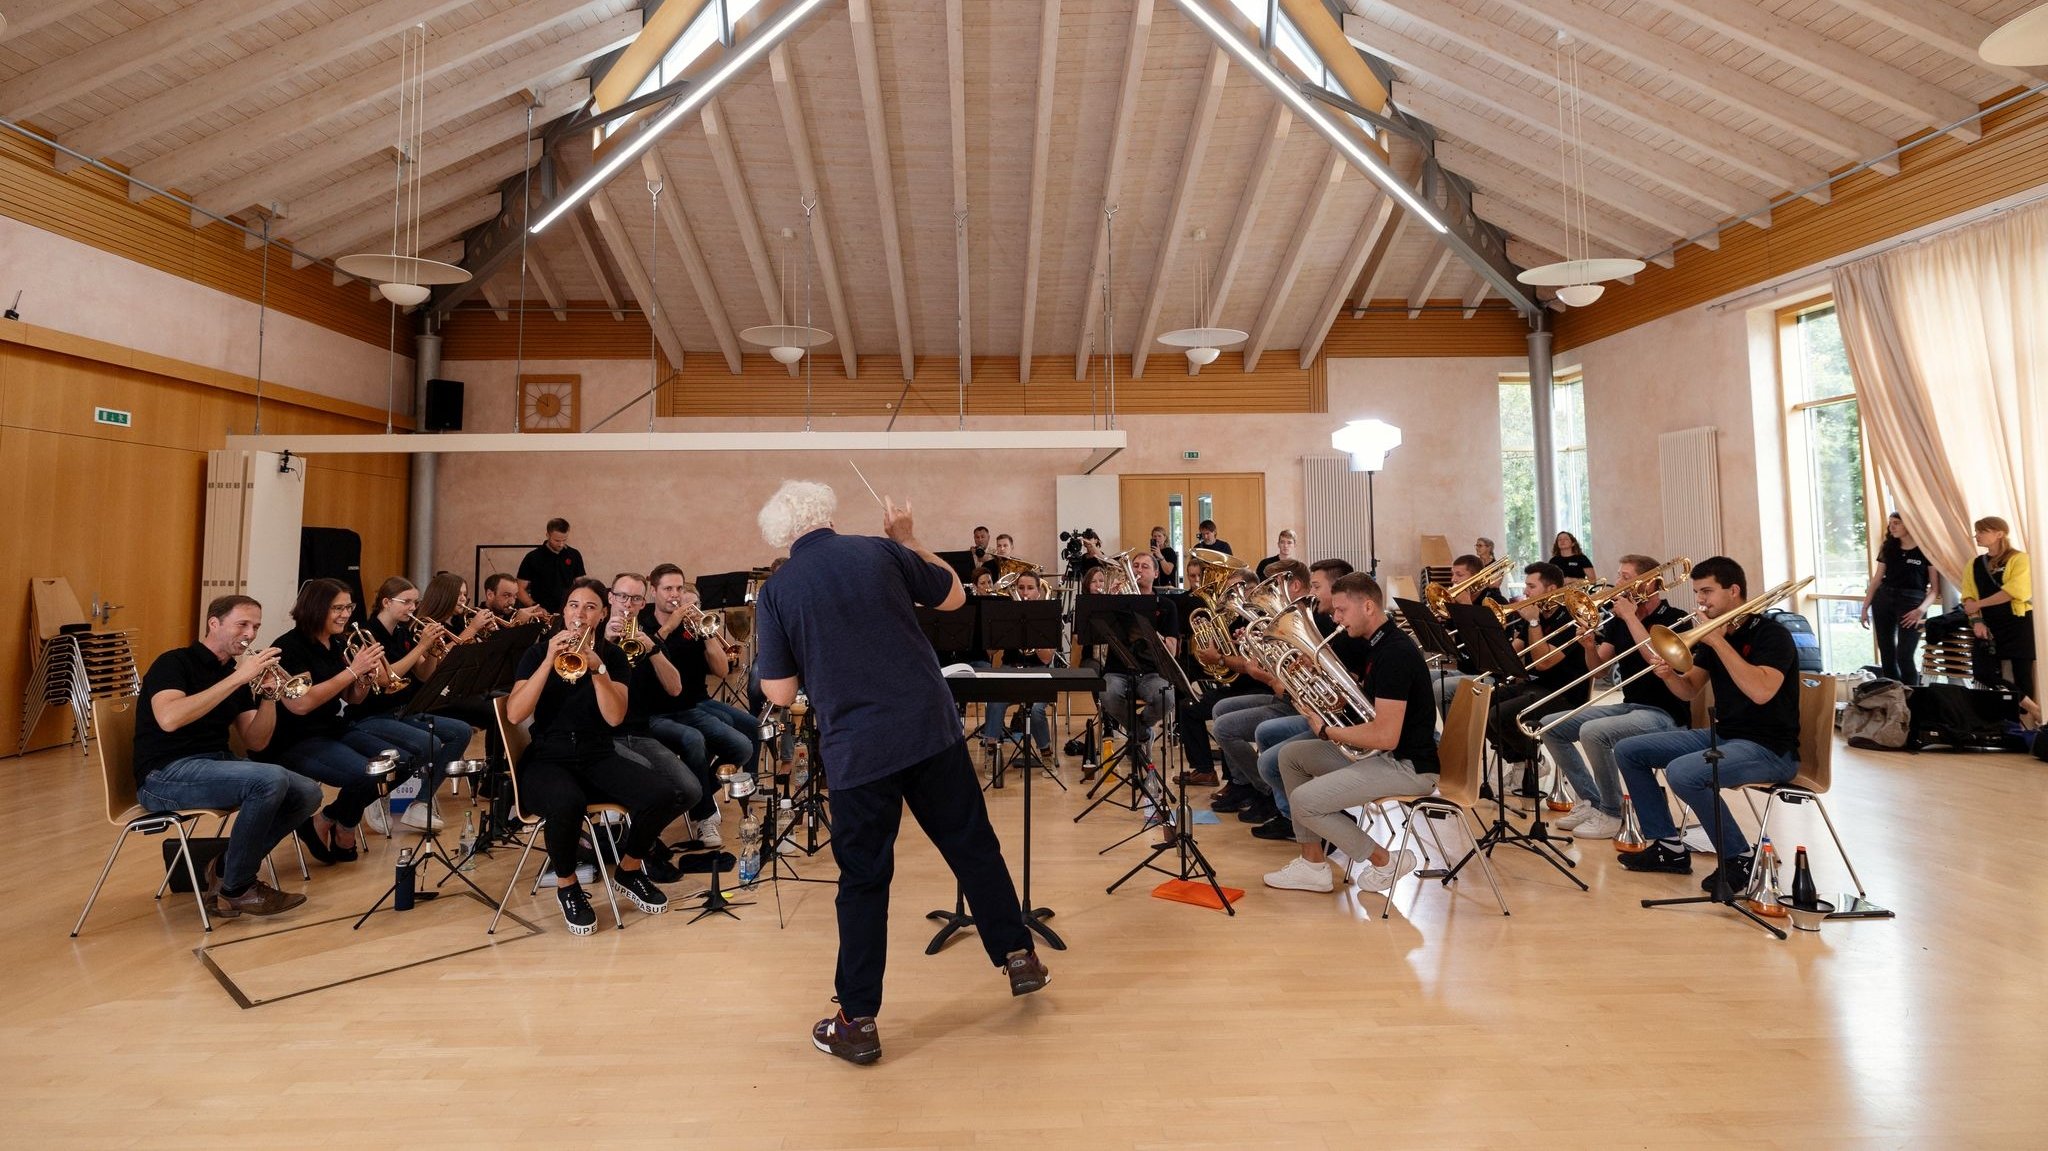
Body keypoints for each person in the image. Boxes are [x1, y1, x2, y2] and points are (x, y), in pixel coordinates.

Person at [754, 481, 1048, 1066]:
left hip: (858, 750)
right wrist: (910, 538)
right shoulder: (880, 550)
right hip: (928, 727)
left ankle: (857, 1022)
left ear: (782, 535)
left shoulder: (777, 590)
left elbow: (782, 693)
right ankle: (1019, 956)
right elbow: (955, 596)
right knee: (971, 845)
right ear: (827, 515)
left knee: (864, 881)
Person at [504, 578, 690, 933]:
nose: (580, 614)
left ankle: (630, 869)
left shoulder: (614, 657)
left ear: (602, 614)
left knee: (665, 794)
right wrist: (547, 662)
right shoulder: (536, 652)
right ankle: (567, 886)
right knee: (566, 802)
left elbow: (615, 716)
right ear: (563, 611)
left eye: (590, 607)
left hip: (596, 753)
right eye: (574, 605)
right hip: (548, 757)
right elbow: (515, 714)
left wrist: (597, 670)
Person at [1611, 556, 1802, 889]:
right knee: (1628, 750)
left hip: (1771, 748)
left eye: (1708, 592)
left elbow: (1760, 692)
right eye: (1698, 592)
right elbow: (1687, 691)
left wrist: (1718, 642)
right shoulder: (1719, 634)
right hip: (1726, 736)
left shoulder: (1773, 635)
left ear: (1734, 590)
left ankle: (1738, 857)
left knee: (1684, 773)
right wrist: (1670, 675)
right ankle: (1668, 846)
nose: (1701, 601)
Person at [132, 595, 320, 917]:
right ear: (214, 624)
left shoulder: (238, 675)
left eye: (256, 627)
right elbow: (170, 718)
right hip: (165, 774)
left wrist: (269, 696)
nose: (250, 634)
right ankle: (238, 887)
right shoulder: (174, 663)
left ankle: (223, 869)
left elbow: (256, 742)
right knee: (269, 779)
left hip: (216, 763)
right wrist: (238, 679)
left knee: (307, 792)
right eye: (242, 624)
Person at [1263, 572, 1438, 894]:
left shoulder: (1395, 653)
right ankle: (1313, 865)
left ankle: (1386, 861)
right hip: (1384, 756)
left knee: (1305, 801)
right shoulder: (1375, 643)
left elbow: (1386, 736)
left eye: (1341, 610)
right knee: (1291, 757)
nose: (1335, 617)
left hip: (1406, 764)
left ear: (1368, 606)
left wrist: (1328, 730)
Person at [1538, 555, 1693, 841]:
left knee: (1593, 732)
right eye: (1619, 576)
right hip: (1630, 706)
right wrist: (1588, 646)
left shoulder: (1675, 618)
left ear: (1648, 583)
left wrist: (1632, 617)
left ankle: (1611, 813)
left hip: (1665, 715)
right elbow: (1599, 671)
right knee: (1550, 725)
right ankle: (1593, 802)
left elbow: (1657, 661)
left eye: (1624, 576)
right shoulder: (1620, 621)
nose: (1618, 583)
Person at [268, 579, 407, 863]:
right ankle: (342, 826)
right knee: (366, 773)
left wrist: (364, 679)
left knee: (401, 761)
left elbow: (353, 698)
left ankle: (335, 819)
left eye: (348, 607)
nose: (346, 614)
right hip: (296, 737)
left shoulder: (338, 642)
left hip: (333, 728)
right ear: (316, 608)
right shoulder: (287, 648)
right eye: (338, 608)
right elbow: (302, 704)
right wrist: (353, 671)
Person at [358, 576, 475, 833]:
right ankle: (374, 794)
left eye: (415, 602)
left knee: (461, 731)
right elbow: (387, 678)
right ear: (387, 603)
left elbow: (423, 675)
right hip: (374, 714)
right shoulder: (368, 634)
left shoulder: (402, 632)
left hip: (405, 710)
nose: (413, 608)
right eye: (407, 602)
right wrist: (422, 645)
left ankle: (420, 804)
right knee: (429, 743)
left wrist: (431, 651)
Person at [1484, 563, 1592, 786]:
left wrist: (1533, 622)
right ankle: (1521, 761)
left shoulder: (1571, 618)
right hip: (1534, 686)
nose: (1525, 592)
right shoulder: (1537, 613)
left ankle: (1535, 758)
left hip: (1563, 693)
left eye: (1531, 586)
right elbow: (1513, 653)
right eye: (1526, 586)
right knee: (1482, 706)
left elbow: (1544, 663)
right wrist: (1492, 634)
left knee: (1500, 715)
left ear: (1551, 588)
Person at [1094, 551, 1180, 766]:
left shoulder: (1167, 605)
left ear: (1156, 573)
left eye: (1145, 566)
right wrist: (1108, 603)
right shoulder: (1118, 602)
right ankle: (1142, 733)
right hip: (1118, 669)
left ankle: (1135, 732)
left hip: (1152, 671)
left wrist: (1152, 634)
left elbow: (1173, 650)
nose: (1139, 570)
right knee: (1108, 694)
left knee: (1167, 697)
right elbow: (1095, 632)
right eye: (1136, 566)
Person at [980, 571, 1057, 764]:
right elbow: (990, 652)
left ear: (1038, 592)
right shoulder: (1006, 614)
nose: (1025, 593)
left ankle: (1046, 753)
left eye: (1030, 588)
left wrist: (1033, 631)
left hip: (1039, 671)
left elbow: (1046, 658)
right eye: (1021, 588)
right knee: (995, 702)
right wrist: (1000, 630)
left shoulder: (1047, 616)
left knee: (1038, 709)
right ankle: (992, 753)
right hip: (1010, 668)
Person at [1962, 515, 2033, 700]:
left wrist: (1979, 604)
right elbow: (1968, 596)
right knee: (1983, 673)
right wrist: (1976, 620)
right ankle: (2032, 710)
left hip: (2018, 622)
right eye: (1976, 531)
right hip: (1988, 624)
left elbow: (2015, 591)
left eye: (1982, 531)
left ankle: (2024, 724)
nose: (1977, 535)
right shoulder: (1974, 563)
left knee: (2022, 675)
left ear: (1999, 533)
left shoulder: (2019, 559)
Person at [1861, 513, 1935, 685]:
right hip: (1884, 599)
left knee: (1904, 655)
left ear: (1909, 525)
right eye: (1890, 524)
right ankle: (1892, 697)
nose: (1891, 527)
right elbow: (1877, 578)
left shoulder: (1925, 550)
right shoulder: (1888, 547)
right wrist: (1865, 607)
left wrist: (1920, 610)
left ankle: (1913, 700)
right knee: (1887, 654)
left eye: (1896, 523)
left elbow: (1934, 590)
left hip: (1912, 603)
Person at [517, 517, 587, 615]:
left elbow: (581, 585)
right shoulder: (533, 557)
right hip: (541, 612)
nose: (561, 544)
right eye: (557, 540)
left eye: (564, 540)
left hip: (567, 611)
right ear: (547, 535)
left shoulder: (574, 555)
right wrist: (534, 606)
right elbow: (520, 589)